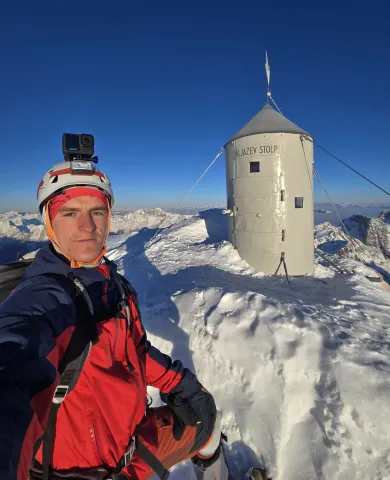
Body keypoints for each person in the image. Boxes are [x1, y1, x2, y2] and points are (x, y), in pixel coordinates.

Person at [0, 159, 228, 480]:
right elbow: (14, 365)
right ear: (48, 221)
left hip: (129, 448)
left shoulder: (113, 285)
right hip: (78, 472)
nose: (87, 226)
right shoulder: (45, 297)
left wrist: (180, 382)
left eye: (97, 211)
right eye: (69, 213)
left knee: (207, 420)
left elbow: (134, 351)